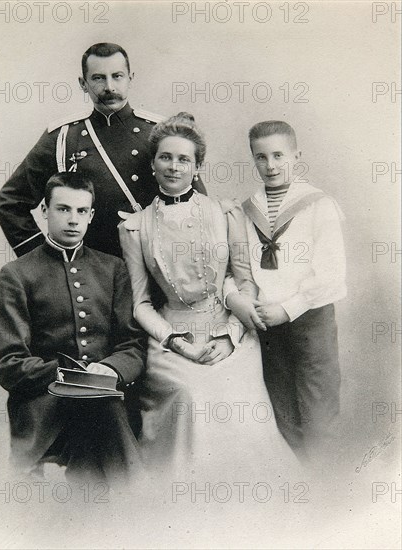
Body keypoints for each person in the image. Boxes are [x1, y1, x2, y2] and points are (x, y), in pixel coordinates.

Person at [119, 113, 297, 481]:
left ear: (197, 165)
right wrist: (175, 341)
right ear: (152, 164)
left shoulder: (225, 212)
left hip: (229, 330)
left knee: (233, 394)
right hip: (172, 336)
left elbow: (245, 283)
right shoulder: (135, 227)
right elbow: (140, 303)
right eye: (165, 157)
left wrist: (229, 336)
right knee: (188, 394)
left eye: (184, 159)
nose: (174, 166)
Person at [0, 172, 147, 482]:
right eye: (63, 209)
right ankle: (138, 501)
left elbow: (132, 346)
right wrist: (71, 376)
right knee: (102, 414)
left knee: (101, 410)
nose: (72, 219)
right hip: (44, 404)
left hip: (106, 400)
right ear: (44, 211)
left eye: (80, 211)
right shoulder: (17, 275)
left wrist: (112, 371)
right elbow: (8, 363)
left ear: (90, 216)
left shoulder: (113, 269)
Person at [0, 42, 206, 259]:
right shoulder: (64, 138)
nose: (109, 87)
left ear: (130, 78)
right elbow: (9, 203)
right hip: (94, 275)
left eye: (117, 76)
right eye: (98, 78)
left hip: (158, 268)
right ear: (83, 83)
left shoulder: (160, 133)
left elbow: (198, 204)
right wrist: (48, 260)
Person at [226, 120, 346, 461]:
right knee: (280, 406)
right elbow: (238, 266)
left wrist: (289, 308)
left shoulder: (318, 205)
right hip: (266, 323)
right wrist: (246, 301)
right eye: (261, 157)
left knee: (317, 403)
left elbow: (331, 274)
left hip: (310, 319)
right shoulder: (248, 210)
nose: (271, 165)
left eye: (279, 155)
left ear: (296, 156)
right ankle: (298, 487)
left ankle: (325, 486)